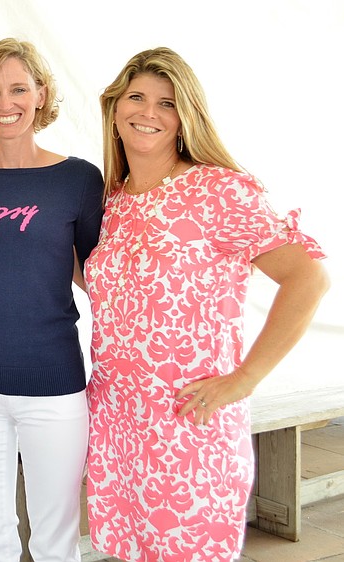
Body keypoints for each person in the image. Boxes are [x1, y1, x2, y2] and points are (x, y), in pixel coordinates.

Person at [84, 47, 329, 562]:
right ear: (114, 107)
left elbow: (308, 278)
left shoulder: (218, 190)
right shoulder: (113, 201)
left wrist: (245, 379)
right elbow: (119, 290)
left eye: (166, 103)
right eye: (136, 97)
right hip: (119, 421)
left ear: (184, 117)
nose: (148, 112)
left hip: (190, 424)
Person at [0, 39, 103, 562]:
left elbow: (95, 272)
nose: (5, 102)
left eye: (18, 88)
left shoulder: (78, 179)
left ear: (42, 94)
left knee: (57, 539)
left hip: (54, 386)